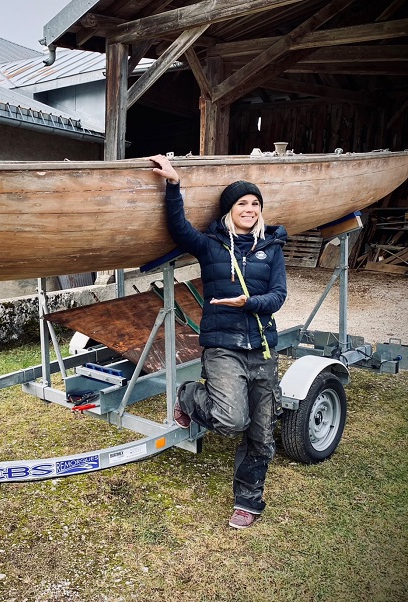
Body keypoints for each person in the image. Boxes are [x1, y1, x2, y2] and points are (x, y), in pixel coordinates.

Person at [148, 154, 287, 529]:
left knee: (261, 430)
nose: (250, 209)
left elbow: (278, 296)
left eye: (256, 204)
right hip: (223, 346)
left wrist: (249, 302)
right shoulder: (211, 246)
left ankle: (248, 500)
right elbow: (179, 229)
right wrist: (174, 184)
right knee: (230, 419)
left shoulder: (271, 247)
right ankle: (189, 395)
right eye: (242, 203)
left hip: (262, 348)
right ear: (229, 210)